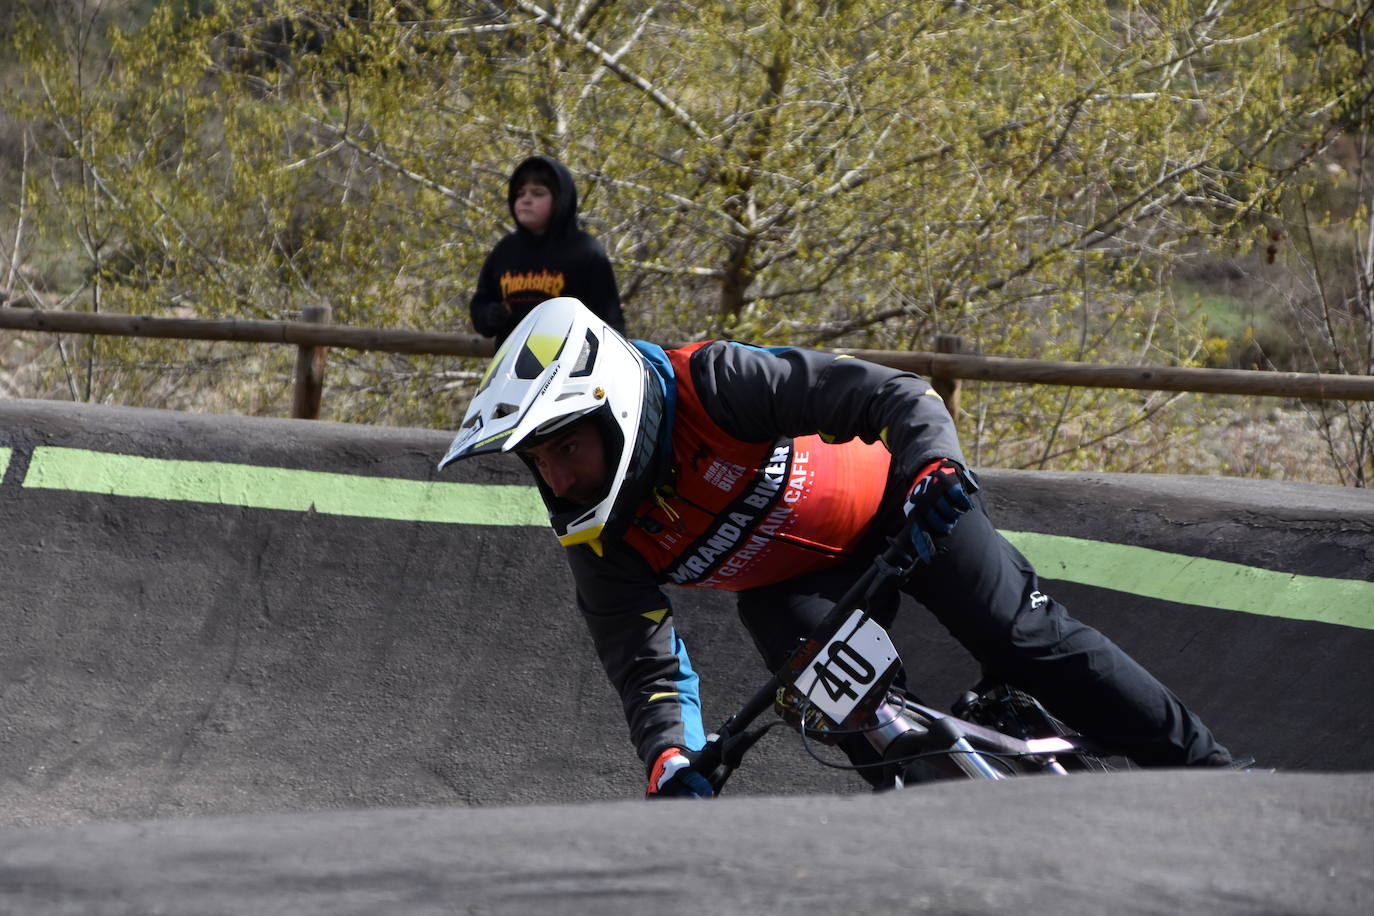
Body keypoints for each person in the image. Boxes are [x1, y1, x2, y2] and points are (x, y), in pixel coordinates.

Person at [439, 297, 1240, 798]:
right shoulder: (600, 535)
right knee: (841, 704)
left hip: (906, 509)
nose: (557, 477)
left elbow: (893, 393)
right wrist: (672, 760)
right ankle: (926, 830)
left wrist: (933, 469)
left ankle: (1217, 782)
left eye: (564, 450)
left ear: (612, 409)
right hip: (796, 585)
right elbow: (644, 665)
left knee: (1021, 635)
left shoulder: (714, 385)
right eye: (537, 461)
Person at [468, 155, 625, 345]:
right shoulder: (504, 251)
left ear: (560, 200)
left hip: (568, 367)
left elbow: (610, 322)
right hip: (511, 368)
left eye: (538, 193)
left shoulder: (585, 251)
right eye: (520, 193)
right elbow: (480, 305)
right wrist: (487, 315)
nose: (526, 199)